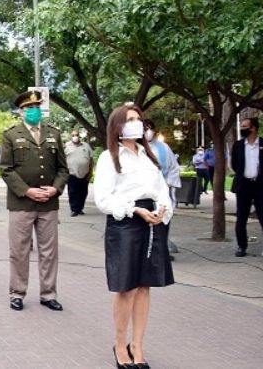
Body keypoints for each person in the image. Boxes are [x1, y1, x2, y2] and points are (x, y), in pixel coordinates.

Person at [93, 103, 173, 369]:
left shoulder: (147, 156)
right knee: (126, 288)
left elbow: (161, 190)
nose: (136, 123)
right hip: (125, 224)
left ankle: (138, 345)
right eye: (129, 119)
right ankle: (120, 345)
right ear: (118, 125)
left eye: (139, 119)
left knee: (144, 286)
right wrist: (134, 209)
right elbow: (103, 199)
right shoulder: (109, 157)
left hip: (152, 222)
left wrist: (163, 210)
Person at [0, 90, 68, 312]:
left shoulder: (53, 134)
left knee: (49, 252)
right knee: (19, 250)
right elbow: (6, 169)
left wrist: (55, 189)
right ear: (21, 111)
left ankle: (49, 294)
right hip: (21, 203)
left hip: (48, 203)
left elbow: (62, 169)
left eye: (37, 107)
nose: (34, 111)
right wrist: (27, 191)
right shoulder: (11, 135)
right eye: (29, 108)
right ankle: (17, 293)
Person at [143, 119, 181, 258]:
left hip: (163, 190)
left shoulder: (163, 147)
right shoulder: (137, 148)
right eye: (145, 128)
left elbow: (174, 168)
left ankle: (162, 251)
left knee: (163, 220)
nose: (148, 131)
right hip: (145, 192)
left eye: (150, 128)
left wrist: (167, 184)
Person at [230, 117, 263, 257]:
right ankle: (241, 246)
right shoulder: (238, 145)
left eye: (245, 126)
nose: (242, 129)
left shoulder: (262, 144)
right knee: (241, 218)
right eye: (241, 126)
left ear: (253, 128)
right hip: (243, 186)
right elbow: (235, 164)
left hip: (260, 185)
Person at [64, 129, 93, 216]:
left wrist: (90, 172)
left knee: (83, 192)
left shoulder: (86, 146)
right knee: (73, 192)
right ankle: (74, 209)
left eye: (76, 135)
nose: (75, 137)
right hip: (71, 174)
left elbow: (91, 160)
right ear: (70, 136)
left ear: (79, 136)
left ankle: (80, 208)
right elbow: (61, 160)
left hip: (84, 174)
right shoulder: (66, 146)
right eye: (73, 135)